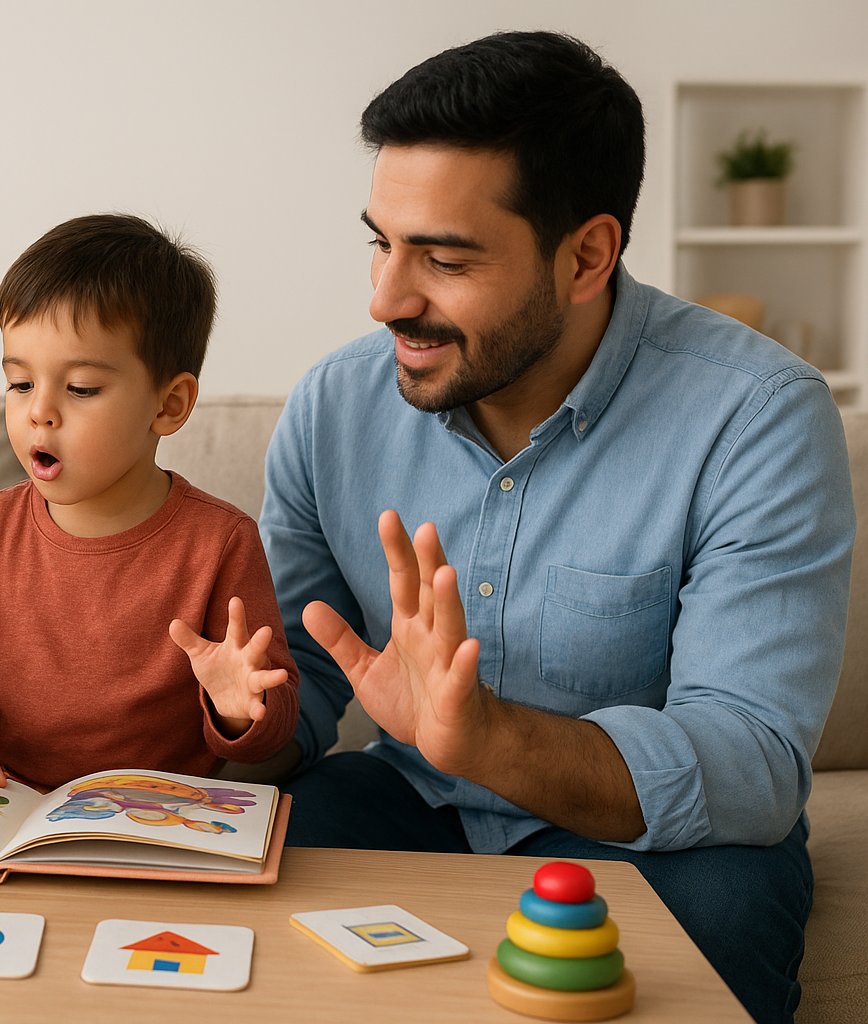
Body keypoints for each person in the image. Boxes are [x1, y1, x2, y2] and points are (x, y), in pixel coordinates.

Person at [259, 32, 853, 1024]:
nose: (385, 299)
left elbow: (750, 762)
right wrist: (242, 715)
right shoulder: (333, 406)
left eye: (444, 258)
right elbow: (301, 681)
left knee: (717, 926)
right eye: (382, 243)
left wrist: (490, 740)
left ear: (586, 256)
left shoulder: (757, 416)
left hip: (659, 841)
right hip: (411, 799)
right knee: (252, 879)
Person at [0, 214, 298, 794]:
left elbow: (272, 723)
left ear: (169, 405)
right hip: (8, 802)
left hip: (154, 818)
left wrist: (237, 708)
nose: (40, 411)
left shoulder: (221, 541)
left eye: (80, 388)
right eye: (20, 383)